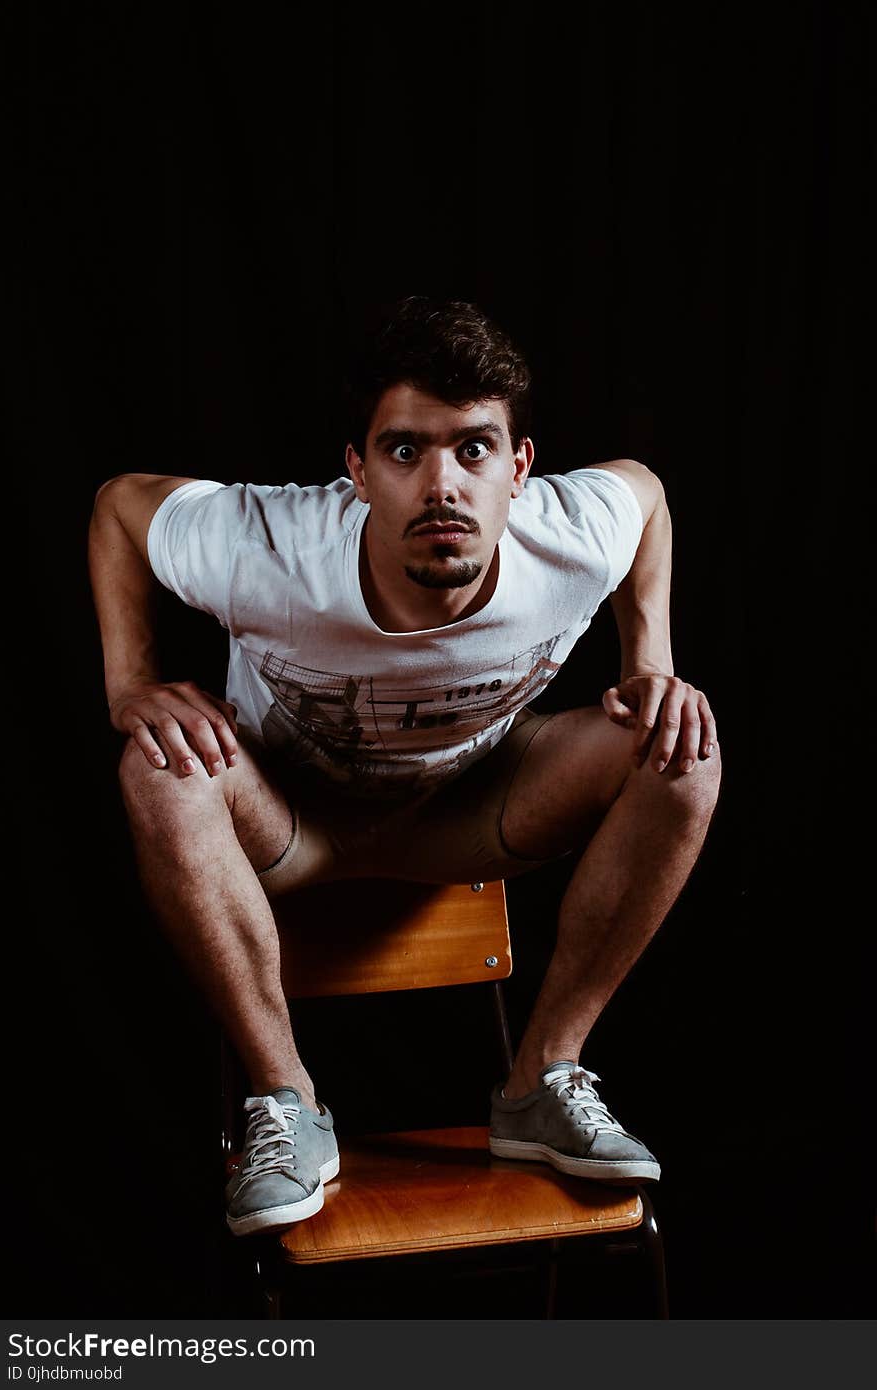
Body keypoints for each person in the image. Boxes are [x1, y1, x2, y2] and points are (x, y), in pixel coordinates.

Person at [88, 295, 720, 1238]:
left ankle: (543, 1077)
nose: (442, 487)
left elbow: (649, 495)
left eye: (472, 450)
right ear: (356, 472)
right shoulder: (267, 549)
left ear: (519, 468)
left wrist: (651, 667)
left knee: (684, 752)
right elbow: (120, 508)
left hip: (470, 814)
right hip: (288, 823)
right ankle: (285, 1100)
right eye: (404, 451)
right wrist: (130, 682)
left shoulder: (572, 533)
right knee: (158, 764)